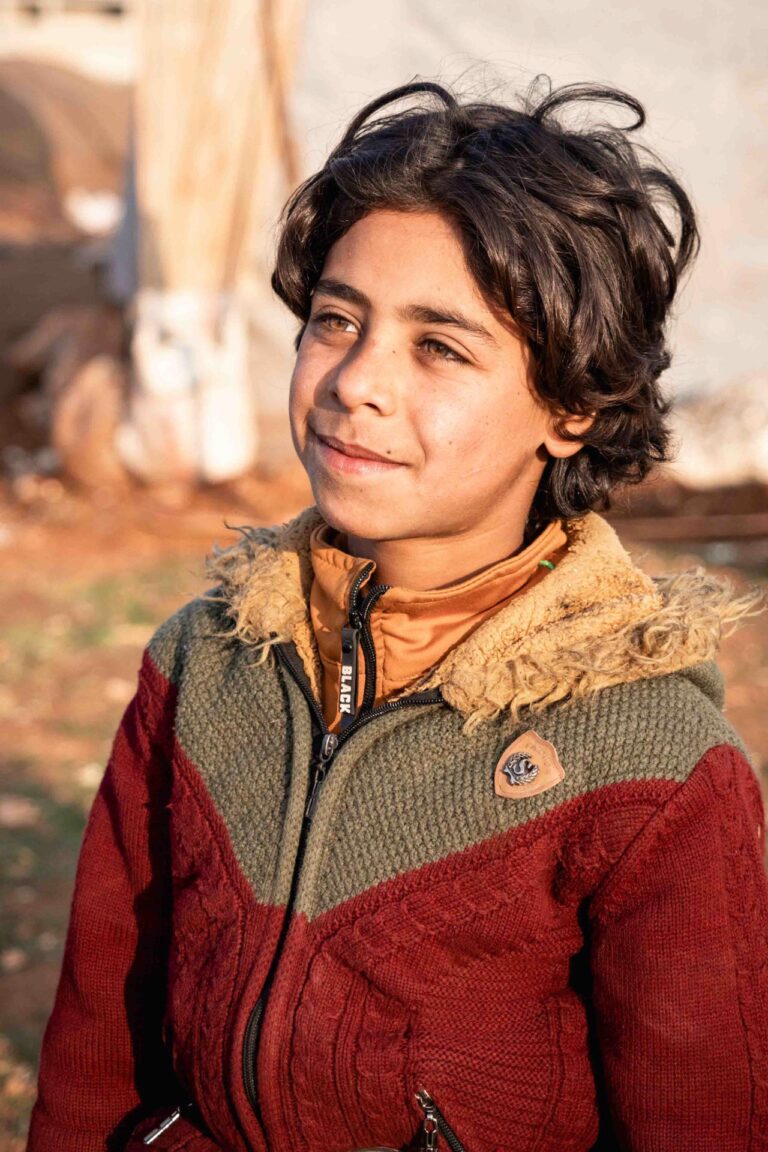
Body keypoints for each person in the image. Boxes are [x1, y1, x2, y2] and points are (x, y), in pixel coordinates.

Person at [27, 77, 768, 1152]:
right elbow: (100, 1033)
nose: (355, 382)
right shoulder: (207, 664)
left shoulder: (648, 761)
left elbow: (703, 1115)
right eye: (336, 319)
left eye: (441, 347)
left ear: (571, 409)